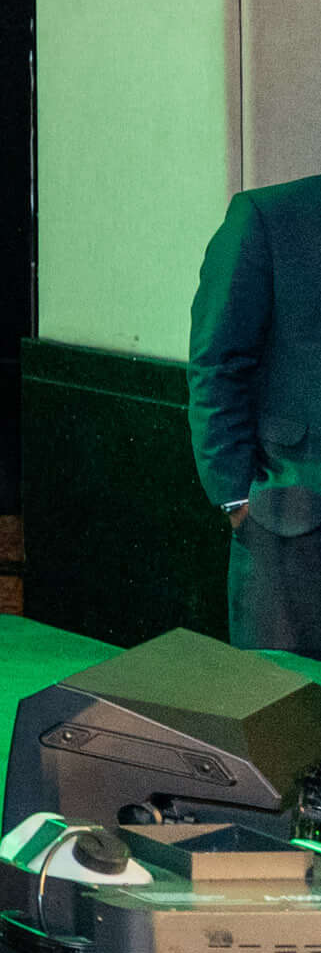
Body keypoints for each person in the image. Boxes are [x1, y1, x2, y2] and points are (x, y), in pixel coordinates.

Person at [189, 176, 321, 653]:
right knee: (279, 690)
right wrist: (235, 499)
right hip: (289, 515)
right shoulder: (268, 216)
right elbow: (217, 364)